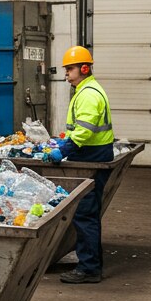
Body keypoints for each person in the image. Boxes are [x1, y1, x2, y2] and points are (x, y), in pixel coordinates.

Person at [55, 45, 114, 284]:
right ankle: (91, 263)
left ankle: (89, 268)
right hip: (92, 155)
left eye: (70, 69)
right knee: (87, 214)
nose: (66, 74)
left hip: (90, 157)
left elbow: (86, 131)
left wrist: (64, 150)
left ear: (84, 68)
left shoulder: (89, 93)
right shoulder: (86, 90)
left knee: (85, 215)